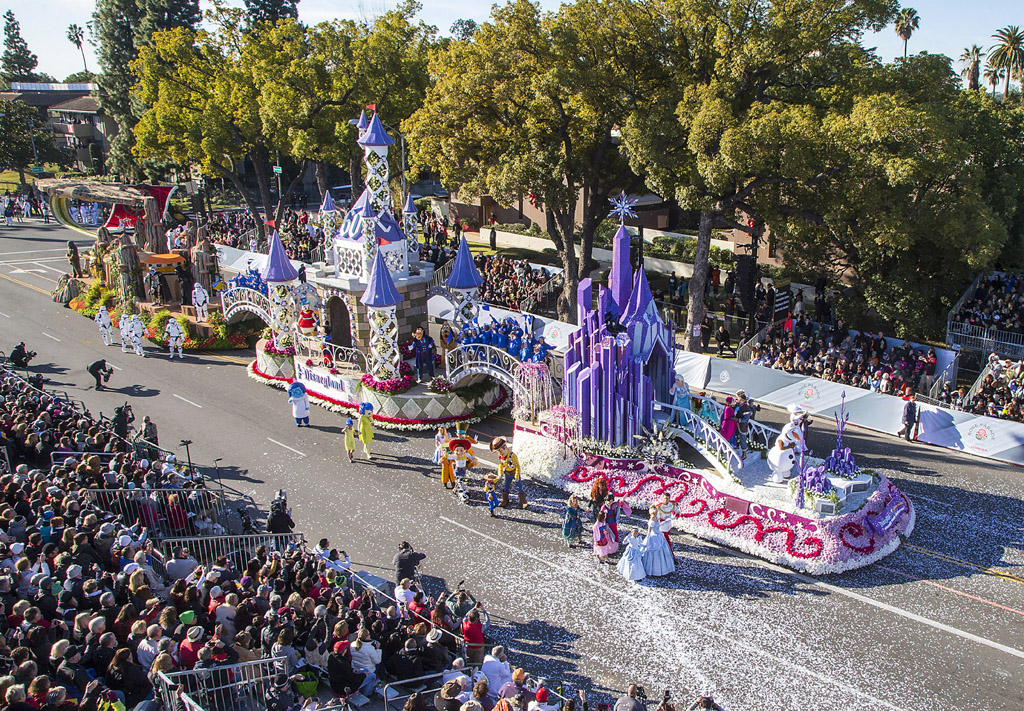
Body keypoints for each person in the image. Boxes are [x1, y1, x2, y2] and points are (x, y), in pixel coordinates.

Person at [491, 437, 524, 509]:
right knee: (506, 488)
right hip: (507, 474)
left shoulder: (512, 456)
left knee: (519, 487)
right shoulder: (501, 457)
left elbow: (517, 466)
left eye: (500, 451)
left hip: (514, 473)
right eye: (498, 452)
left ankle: (523, 501)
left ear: (505, 447)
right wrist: (499, 474)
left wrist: (517, 475)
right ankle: (505, 501)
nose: (500, 453)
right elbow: (500, 465)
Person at [641, 507, 675, 577]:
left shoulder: (656, 518)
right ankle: (652, 570)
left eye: (655, 513)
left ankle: (664, 569)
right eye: (653, 514)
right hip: (653, 538)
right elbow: (649, 532)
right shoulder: (651, 521)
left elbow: (659, 525)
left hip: (659, 536)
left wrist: (667, 521)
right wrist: (647, 539)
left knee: (662, 553)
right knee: (653, 553)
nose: (655, 515)